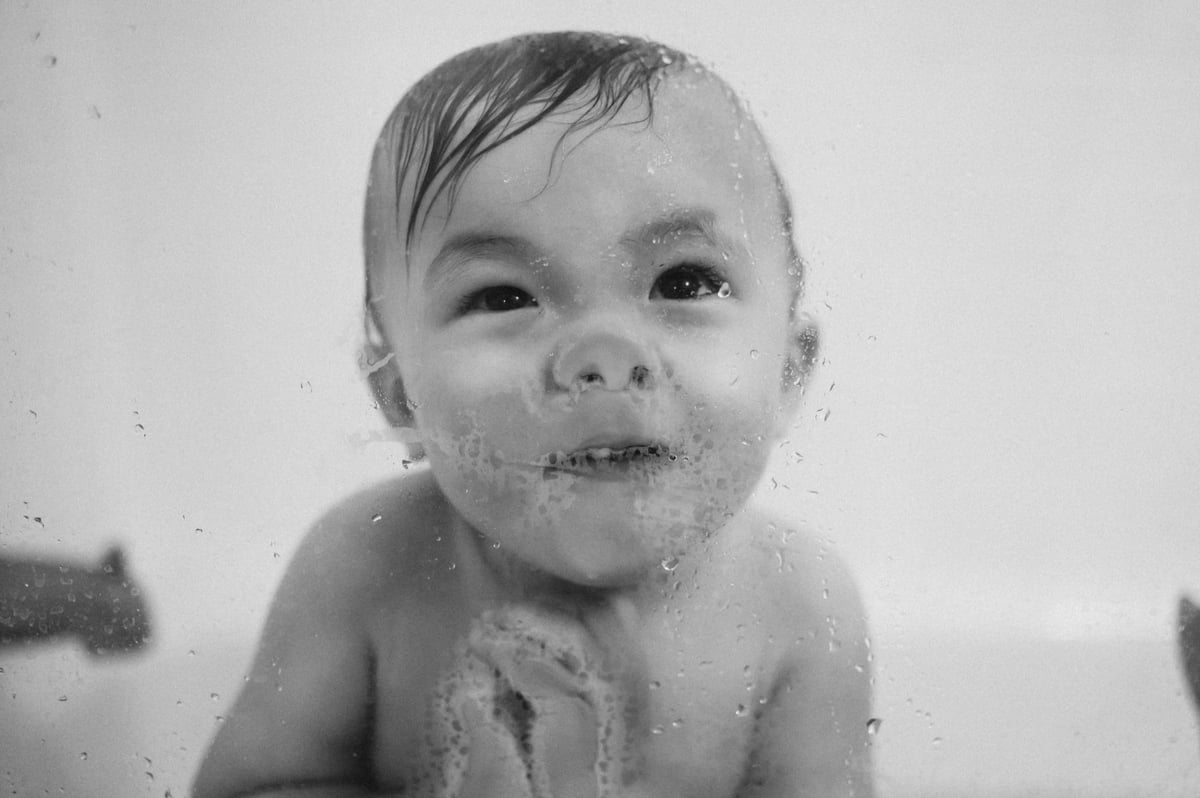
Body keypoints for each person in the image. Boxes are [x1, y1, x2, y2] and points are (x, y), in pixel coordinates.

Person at [193, 31, 874, 798]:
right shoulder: (366, 568)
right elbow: (253, 785)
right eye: (504, 297)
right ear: (400, 397)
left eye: (683, 282)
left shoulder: (797, 603)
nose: (603, 356)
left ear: (787, 370)